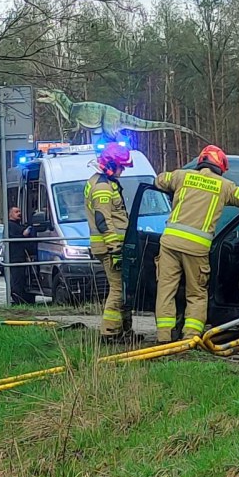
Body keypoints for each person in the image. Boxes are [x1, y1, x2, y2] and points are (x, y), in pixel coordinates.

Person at [151, 145, 239, 343]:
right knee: (197, 293)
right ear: (221, 166)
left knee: (166, 290)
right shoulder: (225, 186)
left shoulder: (181, 176)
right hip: (196, 248)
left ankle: (163, 339)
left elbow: (158, 181)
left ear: (201, 161)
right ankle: (190, 338)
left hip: (169, 244)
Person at [84, 144, 135, 341]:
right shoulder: (103, 187)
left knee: (122, 288)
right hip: (109, 247)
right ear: (111, 165)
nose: (123, 171)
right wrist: (115, 248)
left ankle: (123, 331)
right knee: (117, 289)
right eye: (121, 167)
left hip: (110, 245)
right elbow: (103, 220)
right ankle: (110, 332)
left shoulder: (102, 182)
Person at [6, 206, 38, 305]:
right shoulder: (9, 226)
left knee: (22, 278)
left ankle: (24, 299)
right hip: (15, 257)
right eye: (16, 212)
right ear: (10, 214)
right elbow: (12, 238)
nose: (19, 213)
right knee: (17, 279)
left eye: (20, 211)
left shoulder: (19, 225)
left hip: (22, 256)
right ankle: (17, 300)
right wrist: (23, 235)